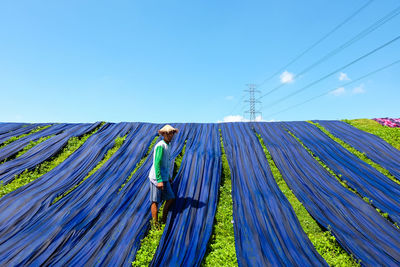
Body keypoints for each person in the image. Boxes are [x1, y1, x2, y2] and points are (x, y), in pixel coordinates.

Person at [148, 124, 179, 228]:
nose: (171, 135)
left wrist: (169, 176)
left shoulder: (168, 145)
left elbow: (166, 163)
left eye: (172, 133)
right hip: (156, 178)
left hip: (164, 176)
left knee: (170, 198)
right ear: (164, 134)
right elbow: (157, 163)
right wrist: (159, 180)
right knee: (155, 201)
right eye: (169, 133)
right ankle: (155, 225)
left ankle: (163, 219)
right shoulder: (160, 146)